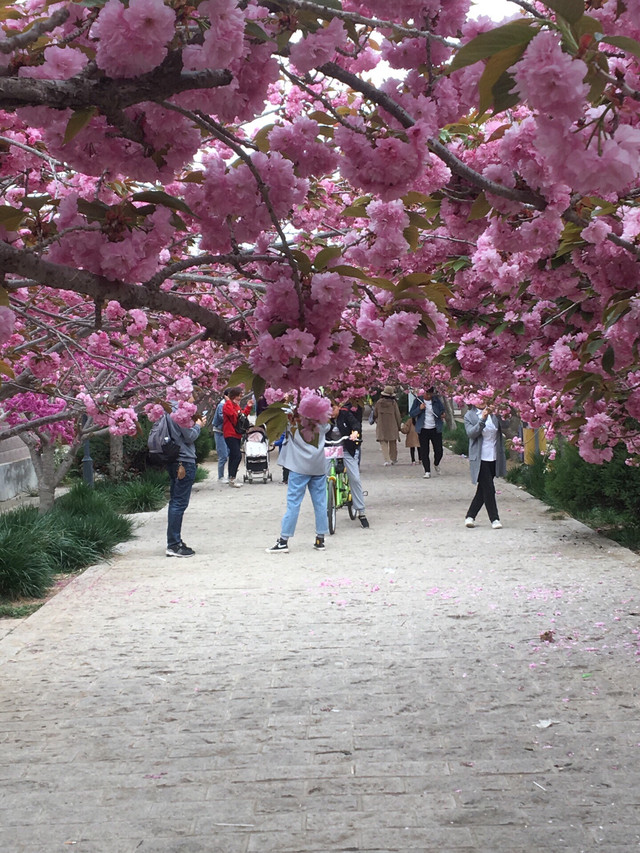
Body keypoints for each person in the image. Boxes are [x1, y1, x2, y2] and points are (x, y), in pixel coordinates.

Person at [266, 416, 330, 553]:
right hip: (318, 464)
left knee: (293, 503)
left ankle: (284, 540)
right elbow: (328, 428)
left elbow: (280, 430)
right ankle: (320, 538)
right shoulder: (322, 421)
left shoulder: (293, 422)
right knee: (320, 503)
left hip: (298, 466)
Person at [464, 402, 509, 529]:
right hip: (480, 458)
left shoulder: (494, 414)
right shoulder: (470, 415)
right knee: (489, 488)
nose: (481, 401)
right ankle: (494, 519)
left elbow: (506, 425)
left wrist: (500, 414)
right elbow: (471, 434)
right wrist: (482, 419)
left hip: (494, 457)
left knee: (483, 490)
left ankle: (470, 516)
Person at [166, 408, 204, 558]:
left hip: (173, 458)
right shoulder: (179, 411)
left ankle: (175, 541)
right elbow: (189, 436)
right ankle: (174, 544)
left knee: (175, 501)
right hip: (184, 460)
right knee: (179, 503)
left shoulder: (167, 409)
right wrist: (198, 425)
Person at [328, 401, 369, 528]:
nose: (330, 412)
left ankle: (361, 511)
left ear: (338, 407)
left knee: (354, 478)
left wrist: (355, 432)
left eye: (333, 408)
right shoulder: (323, 418)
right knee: (322, 476)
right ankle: (326, 506)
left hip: (346, 448)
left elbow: (356, 424)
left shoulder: (346, 414)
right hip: (330, 449)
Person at [409, 387, 446, 479]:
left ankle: (436, 463)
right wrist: (420, 409)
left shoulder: (436, 401)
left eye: (430, 394)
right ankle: (427, 471)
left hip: (435, 429)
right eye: (426, 394)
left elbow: (441, 411)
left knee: (439, 450)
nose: (428, 396)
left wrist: (442, 414)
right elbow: (412, 413)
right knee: (424, 451)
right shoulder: (418, 401)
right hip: (423, 429)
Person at [223, 386, 253, 488]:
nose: (241, 397)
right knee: (237, 455)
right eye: (240, 395)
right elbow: (231, 414)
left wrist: (248, 407)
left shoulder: (236, 405)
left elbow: (242, 417)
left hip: (236, 434)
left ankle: (231, 477)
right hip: (229, 433)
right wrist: (228, 402)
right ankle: (232, 477)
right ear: (235, 395)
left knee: (233, 455)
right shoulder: (228, 405)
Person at [372, 385, 402, 465]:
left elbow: (375, 413)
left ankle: (387, 460)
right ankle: (393, 459)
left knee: (383, 443)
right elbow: (397, 415)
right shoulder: (393, 403)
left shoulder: (379, 403)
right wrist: (399, 426)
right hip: (392, 425)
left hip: (381, 425)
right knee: (393, 443)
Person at [211, 389, 230, 483]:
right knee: (223, 455)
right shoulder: (221, 405)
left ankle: (229, 475)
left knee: (229, 453)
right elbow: (222, 417)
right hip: (219, 432)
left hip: (226, 432)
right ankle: (220, 477)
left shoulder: (228, 404)